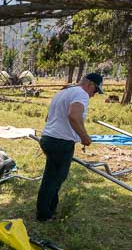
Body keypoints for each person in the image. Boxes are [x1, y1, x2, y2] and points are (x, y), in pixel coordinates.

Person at [36, 73, 103, 221]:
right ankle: (44, 215)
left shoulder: (64, 92)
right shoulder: (81, 94)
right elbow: (73, 116)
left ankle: (49, 210)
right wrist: (85, 137)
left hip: (48, 137)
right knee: (54, 179)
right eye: (96, 90)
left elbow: (48, 118)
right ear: (90, 84)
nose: (94, 95)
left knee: (53, 177)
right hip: (61, 141)